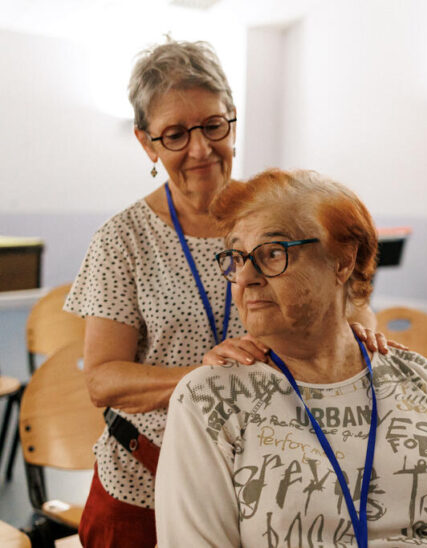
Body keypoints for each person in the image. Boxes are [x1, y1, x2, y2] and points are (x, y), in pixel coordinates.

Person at [64, 39, 386, 547]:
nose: (200, 149)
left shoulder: (285, 215)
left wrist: (364, 337)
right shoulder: (122, 240)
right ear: (147, 144)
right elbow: (103, 381)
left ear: (233, 120)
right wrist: (204, 376)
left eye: (213, 126)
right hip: (144, 490)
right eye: (174, 134)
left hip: (272, 487)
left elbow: (355, 318)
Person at [155, 168, 427, 547]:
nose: (246, 275)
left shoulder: (415, 377)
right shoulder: (210, 398)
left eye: (272, 254)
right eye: (237, 256)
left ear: (342, 262)